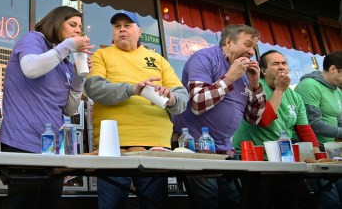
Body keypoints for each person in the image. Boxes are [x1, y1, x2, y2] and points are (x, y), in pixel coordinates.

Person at [84, 11, 188, 209]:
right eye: (117, 26)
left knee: (154, 204)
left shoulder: (158, 59)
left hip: (155, 146)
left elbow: (182, 99)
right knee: (111, 205)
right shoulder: (101, 55)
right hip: (113, 147)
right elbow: (94, 89)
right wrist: (133, 89)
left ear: (139, 31)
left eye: (128, 25)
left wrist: (171, 97)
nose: (122, 29)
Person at [0, 5, 93, 209]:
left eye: (80, 27)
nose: (78, 30)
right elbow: (31, 68)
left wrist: (78, 79)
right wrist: (67, 46)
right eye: (72, 24)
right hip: (21, 144)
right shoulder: (34, 39)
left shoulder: (65, 62)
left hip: (52, 149)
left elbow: (68, 110)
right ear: (57, 22)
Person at [171, 24, 266, 209]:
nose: (251, 52)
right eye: (247, 44)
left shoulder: (245, 73)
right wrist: (230, 78)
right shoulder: (204, 58)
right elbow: (198, 103)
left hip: (226, 150)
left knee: (233, 201)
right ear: (229, 42)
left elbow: (254, 119)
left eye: (253, 47)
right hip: (197, 148)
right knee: (208, 201)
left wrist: (255, 86)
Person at [231, 50, 319, 208]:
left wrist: (318, 158)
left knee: (303, 202)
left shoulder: (295, 97)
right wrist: (279, 90)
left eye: (284, 63)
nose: (281, 67)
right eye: (275, 64)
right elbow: (264, 120)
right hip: (254, 161)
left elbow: (305, 130)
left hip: (284, 161)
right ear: (263, 71)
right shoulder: (256, 88)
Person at [295, 51, 342, 209]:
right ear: (333, 69)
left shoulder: (337, 90)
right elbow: (312, 123)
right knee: (330, 201)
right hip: (314, 152)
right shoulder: (310, 85)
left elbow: (340, 120)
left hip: (334, 153)